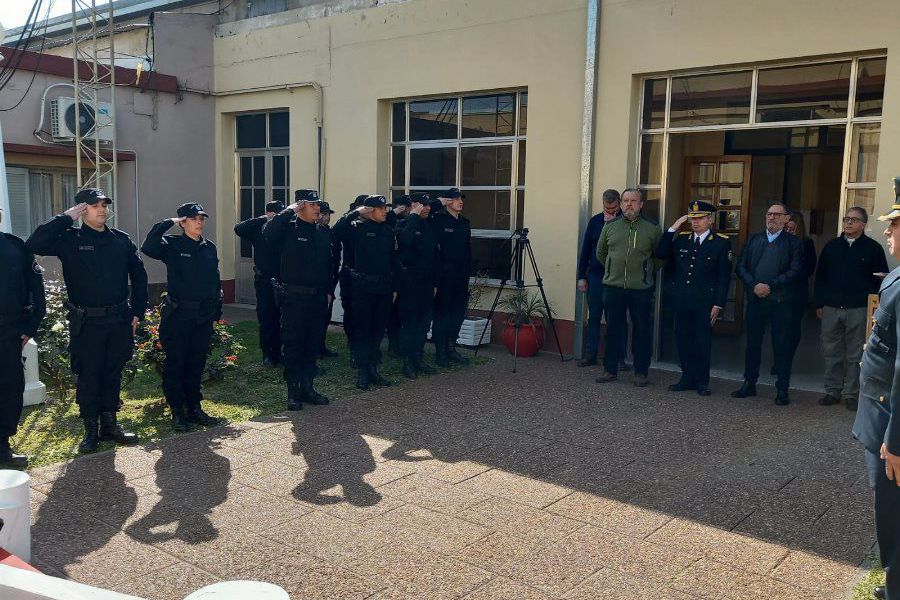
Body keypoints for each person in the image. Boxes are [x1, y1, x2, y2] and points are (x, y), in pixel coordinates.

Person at [27, 188, 146, 452]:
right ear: (82, 210)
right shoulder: (69, 239)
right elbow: (34, 243)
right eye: (94, 205)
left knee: (113, 371)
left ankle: (110, 423)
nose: (101, 209)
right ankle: (90, 429)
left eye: (104, 204)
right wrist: (66, 218)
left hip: (118, 320)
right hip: (87, 323)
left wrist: (137, 311)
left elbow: (139, 276)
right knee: (89, 374)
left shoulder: (121, 240)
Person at [854, 179, 900, 600]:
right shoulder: (897, 277)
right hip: (880, 416)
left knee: (893, 513)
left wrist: (895, 441)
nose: (887, 231)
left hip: (892, 425)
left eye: (894, 224)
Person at [142, 203, 224, 432]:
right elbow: (148, 246)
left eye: (201, 218)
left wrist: (216, 311)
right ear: (183, 222)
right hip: (179, 315)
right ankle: (177, 411)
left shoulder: (209, 247)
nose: (199, 222)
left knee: (196, 363)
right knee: (176, 363)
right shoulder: (172, 245)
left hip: (203, 316)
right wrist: (169, 222)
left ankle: (194, 407)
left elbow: (215, 280)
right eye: (193, 218)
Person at [263, 189, 333, 409]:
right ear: (300, 206)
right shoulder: (288, 229)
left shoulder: (321, 232)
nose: (317, 209)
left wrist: (329, 290)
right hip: (294, 298)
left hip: (317, 297)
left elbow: (328, 265)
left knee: (312, 344)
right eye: (312, 205)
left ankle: (308, 388)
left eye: (318, 204)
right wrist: (287, 211)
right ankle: (293, 391)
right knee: (294, 344)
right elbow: (268, 233)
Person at [655, 201, 731, 396]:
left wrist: (718, 303)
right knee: (683, 339)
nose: (695, 222)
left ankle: (702, 381)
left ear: (710, 220)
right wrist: (673, 228)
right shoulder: (682, 239)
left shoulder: (720, 242)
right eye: (693, 218)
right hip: (682, 300)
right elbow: (661, 253)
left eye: (700, 218)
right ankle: (687, 377)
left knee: (702, 341)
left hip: (704, 301)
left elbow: (724, 276)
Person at [815, 207, 888, 409]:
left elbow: (881, 280)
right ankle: (832, 390)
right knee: (831, 351)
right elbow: (820, 277)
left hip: (859, 309)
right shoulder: (832, 247)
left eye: (854, 220)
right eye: (846, 219)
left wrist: (874, 309)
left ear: (863, 225)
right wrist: (819, 303)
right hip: (831, 308)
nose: (848, 223)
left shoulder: (873, 249)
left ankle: (851, 394)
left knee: (856, 354)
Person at [731, 202, 802, 405]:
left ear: (787, 218)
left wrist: (769, 285)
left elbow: (795, 271)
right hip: (755, 300)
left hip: (781, 302)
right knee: (752, 345)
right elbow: (741, 266)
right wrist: (754, 285)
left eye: (777, 215)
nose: (771, 218)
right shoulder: (754, 239)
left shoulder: (793, 243)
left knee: (781, 346)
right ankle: (749, 383)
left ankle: (782, 388)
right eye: (769, 214)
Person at [595, 188, 662, 387]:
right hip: (613, 287)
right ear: (621, 203)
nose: (629, 204)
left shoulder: (652, 228)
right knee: (613, 329)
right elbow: (601, 252)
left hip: (640, 289)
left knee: (641, 330)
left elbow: (659, 257)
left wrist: (644, 273)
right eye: (625, 201)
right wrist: (611, 269)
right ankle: (610, 370)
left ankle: (641, 372)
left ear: (641, 205)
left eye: (633, 201)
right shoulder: (610, 226)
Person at [333, 195, 399, 390]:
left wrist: (395, 287)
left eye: (385, 208)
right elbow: (337, 230)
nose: (385, 211)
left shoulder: (388, 231)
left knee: (378, 331)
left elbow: (393, 261)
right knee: (363, 330)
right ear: (370, 211)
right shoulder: (356, 228)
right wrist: (356, 211)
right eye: (380, 209)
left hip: (384, 288)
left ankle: (373, 370)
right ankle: (363, 372)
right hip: (363, 288)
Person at [0, 206, 46, 467]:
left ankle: (2, 447)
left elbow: (35, 289)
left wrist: (31, 327)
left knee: (8, 389)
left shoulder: (16, 247)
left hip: (7, 332)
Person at [577, 189, 626, 368]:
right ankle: (590, 354)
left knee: (616, 319)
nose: (611, 212)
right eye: (607, 208)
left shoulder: (626, 221)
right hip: (596, 276)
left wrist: (613, 223)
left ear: (620, 204)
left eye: (614, 208)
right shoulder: (595, 221)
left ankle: (617, 358)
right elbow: (585, 251)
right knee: (594, 317)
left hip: (617, 277)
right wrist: (581, 276)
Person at [234, 200, 284, 367]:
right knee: (267, 317)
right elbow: (239, 229)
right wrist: (263, 218)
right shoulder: (258, 228)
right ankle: (268, 354)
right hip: (265, 280)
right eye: (275, 213)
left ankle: (280, 351)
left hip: (284, 279)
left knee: (283, 318)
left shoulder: (284, 228)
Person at [396, 192, 438, 378]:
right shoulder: (404, 224)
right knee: (410, 323)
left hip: (427, 282)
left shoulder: (429, 226)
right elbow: (405, 242)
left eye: (429, 205)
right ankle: (408, 362)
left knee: (423, 323)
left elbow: (435, 256)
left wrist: (435, 281)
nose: (427, 208)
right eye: (423, 205)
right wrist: (412, 216)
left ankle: (418, 359)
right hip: (410, 282)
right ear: (413, 205)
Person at [431, 188, 472, 368]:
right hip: (444, 277)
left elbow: (467, 251)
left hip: (460, 276)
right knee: (442, 314)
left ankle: (451, 348)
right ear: (447, 202)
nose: (460, 202)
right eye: (455, 199)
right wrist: (439, 202)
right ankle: (440, 351)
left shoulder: (464, 223)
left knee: (457, 313)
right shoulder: (438, 219)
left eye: (460, 199)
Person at [332, 195, 370, 361]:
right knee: (351, 313)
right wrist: (354, 213)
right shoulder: (350, 225)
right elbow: (337, 230)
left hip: (369, 277)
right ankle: (354, 345)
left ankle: (365, 345)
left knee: (366, 313)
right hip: (351, 275)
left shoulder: (374, 225)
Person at [783, 211, 817, 375]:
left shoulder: (807, 243)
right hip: (781, 291)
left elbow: (809, 268)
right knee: (781, 328)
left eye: (792, 228)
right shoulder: (780, 242)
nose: (788, 231)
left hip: (797, 291)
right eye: (786, 228)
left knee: (793, 328)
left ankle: (787, 359)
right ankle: (779, 360)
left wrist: (791, 274)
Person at [386, 194, 412, 357]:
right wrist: (395, 212)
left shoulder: (410, 223)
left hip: (407, 274)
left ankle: (402, 344)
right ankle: (393, 345)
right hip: (394, 273)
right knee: (393, 313)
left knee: (404, 312)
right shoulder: (390, 221)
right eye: (407, 207)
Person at [317, 200, 340, 358]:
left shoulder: (329, 232)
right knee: (316, 319)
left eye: (328, 214)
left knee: (325, 318)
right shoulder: (316, 232)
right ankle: (314, 349)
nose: (326, 217)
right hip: (319, 283)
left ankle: (321, 346)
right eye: (323, 214)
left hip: (330, 280)